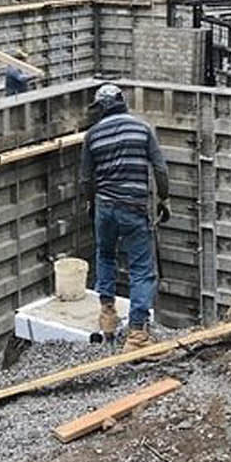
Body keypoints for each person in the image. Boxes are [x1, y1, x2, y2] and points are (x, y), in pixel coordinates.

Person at [78, 83, 169, 351]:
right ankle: (137, 333)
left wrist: (91, 203)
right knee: (141, 268)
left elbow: (86, 179)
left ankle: (107, 315)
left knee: (105, 255)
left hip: (104, 207)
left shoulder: (92, 135)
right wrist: (164, 198)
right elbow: (160, 169)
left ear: (102, 108)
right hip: (133, 207)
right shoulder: (142, 128)